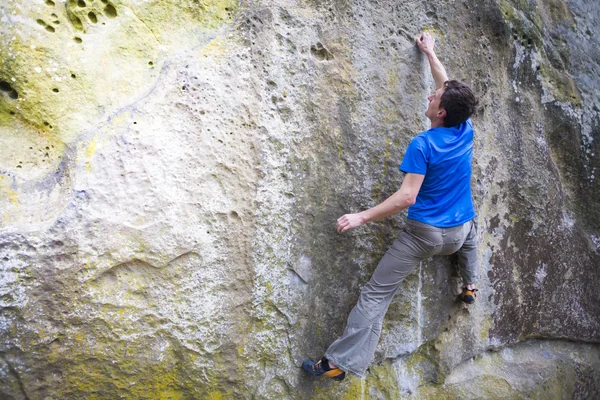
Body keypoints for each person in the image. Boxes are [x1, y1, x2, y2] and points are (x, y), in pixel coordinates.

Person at [302, 32, 480, 381]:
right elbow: (445, 84)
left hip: (423, 236)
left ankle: (339, 363)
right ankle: (470, 284)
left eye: (435, 97)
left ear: (440, 112)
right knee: (473, 225)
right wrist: (430, 53)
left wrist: (361, 216)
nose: (430, 94)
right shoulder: (465, 128)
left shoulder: (423, 144)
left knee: (376, 295)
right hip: (458, 235)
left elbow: (407, 197)